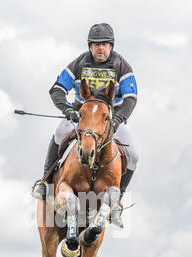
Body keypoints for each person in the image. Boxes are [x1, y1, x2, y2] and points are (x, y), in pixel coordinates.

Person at [32, 23, 139, 227]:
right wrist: (67, 110)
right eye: (97, 44)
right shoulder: (79, 63)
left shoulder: (122, 65)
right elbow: (56, 89)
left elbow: (130, 98)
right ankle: (45, 182)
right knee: (59, 132)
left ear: (111, 46)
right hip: (82, 115)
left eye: (105, 44)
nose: (101, 48)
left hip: (110, 118)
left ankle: (116, 202)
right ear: (90, 46)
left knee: (134, 155)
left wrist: (117, 119)